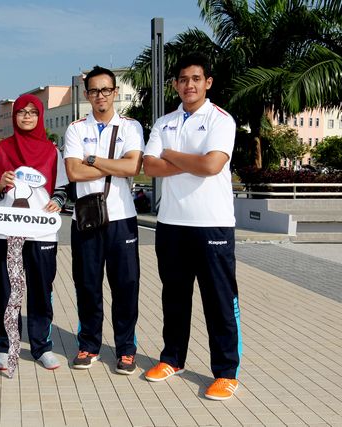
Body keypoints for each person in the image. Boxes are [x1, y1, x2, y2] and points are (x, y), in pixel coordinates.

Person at [142, 53, 242, 401]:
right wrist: (192, 162)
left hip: (212, 225)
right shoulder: (164, 122)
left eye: (196, 79)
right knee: (174, 298)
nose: (189, 85)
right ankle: (173, 359)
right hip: (172, 224)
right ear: (175, 85)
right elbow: (149, 167)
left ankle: (226, 372)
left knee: (219, 301)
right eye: (183, 79)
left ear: (207, 83)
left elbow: (212, 166)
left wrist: (170, 154)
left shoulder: (221, 120)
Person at [63, 66, 144, 374]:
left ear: (115, 92)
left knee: (126, 285)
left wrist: (93, 160)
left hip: (122, 218)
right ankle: (89, 345)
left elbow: (132, 167)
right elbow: (73, 172)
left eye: (106, 90)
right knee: (87, 284)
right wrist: (114, 165)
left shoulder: (130, 127)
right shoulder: (75, 129)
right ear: (87, 95)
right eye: (94, 91)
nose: (101, 96)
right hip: (85, 218)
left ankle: (126, 349)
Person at [0, 94, 68, 371]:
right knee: (8, 290)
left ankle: (42, 346)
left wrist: (57, 202)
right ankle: (6, 346)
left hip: (42, 232)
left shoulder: (52, 151)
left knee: (41, 288)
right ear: (14, 116)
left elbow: (62, 189)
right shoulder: (2, 148)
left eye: (33, 112)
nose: (27, 116)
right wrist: (1, 184)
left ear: (40, 116)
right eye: (22, 112)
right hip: (6, 231)